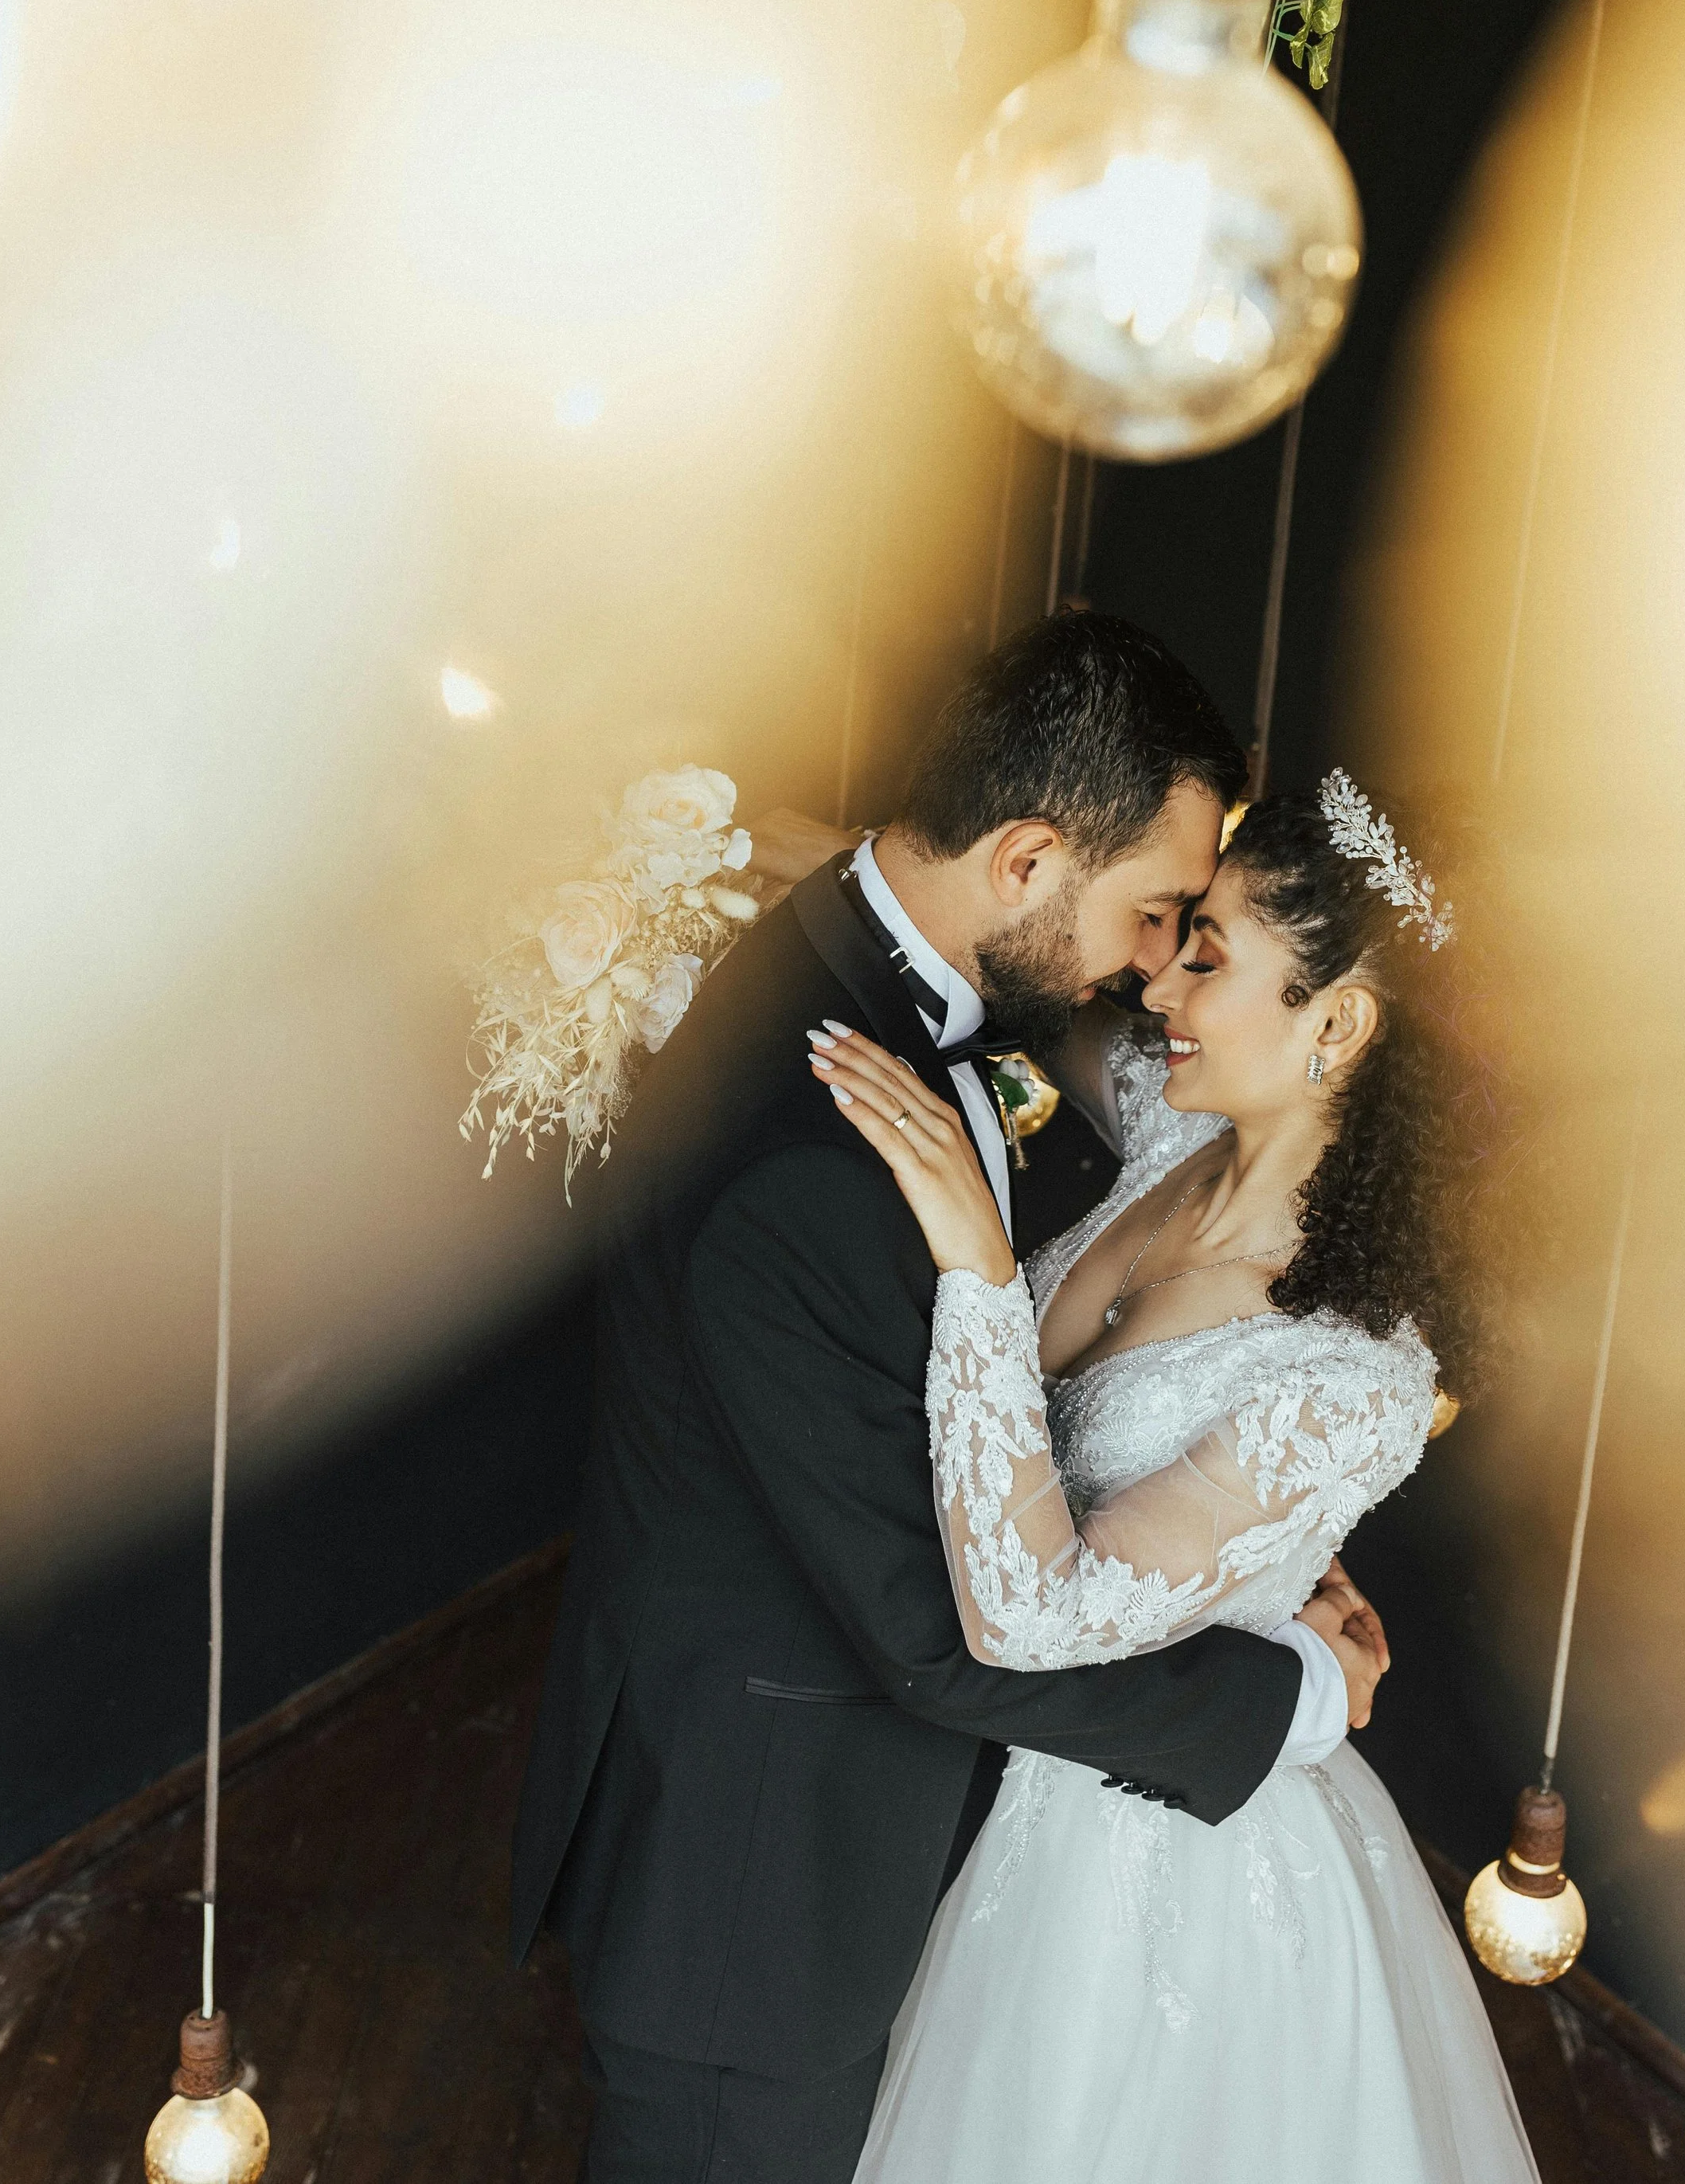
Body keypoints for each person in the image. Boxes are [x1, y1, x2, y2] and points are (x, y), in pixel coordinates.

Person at [510, 615, 1387, 2184]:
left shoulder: (847, 953)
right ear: (1026, 859)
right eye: (1152, 915)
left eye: (1192, 936)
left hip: (882, 1831)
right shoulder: (815, 1165)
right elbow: (937, 1632)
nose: (1146, 970)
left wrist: (1249, 1533)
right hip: (760, 1885)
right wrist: (1289, 1693)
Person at [816, 775, 1540, 2184]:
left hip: (1153, 1885)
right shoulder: (1171, 1122)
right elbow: (1021, 937)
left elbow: (1031, 1613)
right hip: (988, 1791)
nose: (1161, 980)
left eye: (1208, 956)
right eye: (1177, 936)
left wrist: (979, 1271)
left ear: (1338, 1020)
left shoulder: (1347, 1375)